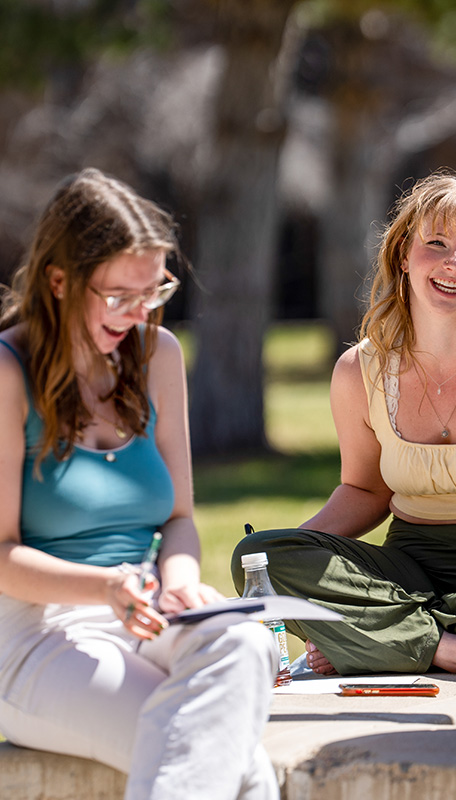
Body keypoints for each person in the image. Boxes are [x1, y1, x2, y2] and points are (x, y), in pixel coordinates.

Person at [0, 168, 280, 799]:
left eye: (153, 293)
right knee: (242, 769)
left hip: (148, 612)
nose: (138, 313)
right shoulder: (7, 372)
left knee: (246, 640)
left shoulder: (159, 356)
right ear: (59, 281)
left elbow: (178, 517)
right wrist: (105, 587)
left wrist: (180, 582)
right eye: (120, 296)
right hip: (39, 633)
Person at [232, 170, 456, 677]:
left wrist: (354, 629)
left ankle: (386, 639)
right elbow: (365, 490)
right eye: (436, 243)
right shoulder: (359, 372)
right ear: (403, 254)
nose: (454, 263)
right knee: (257, 557)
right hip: (407, 572)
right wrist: (293, 549)